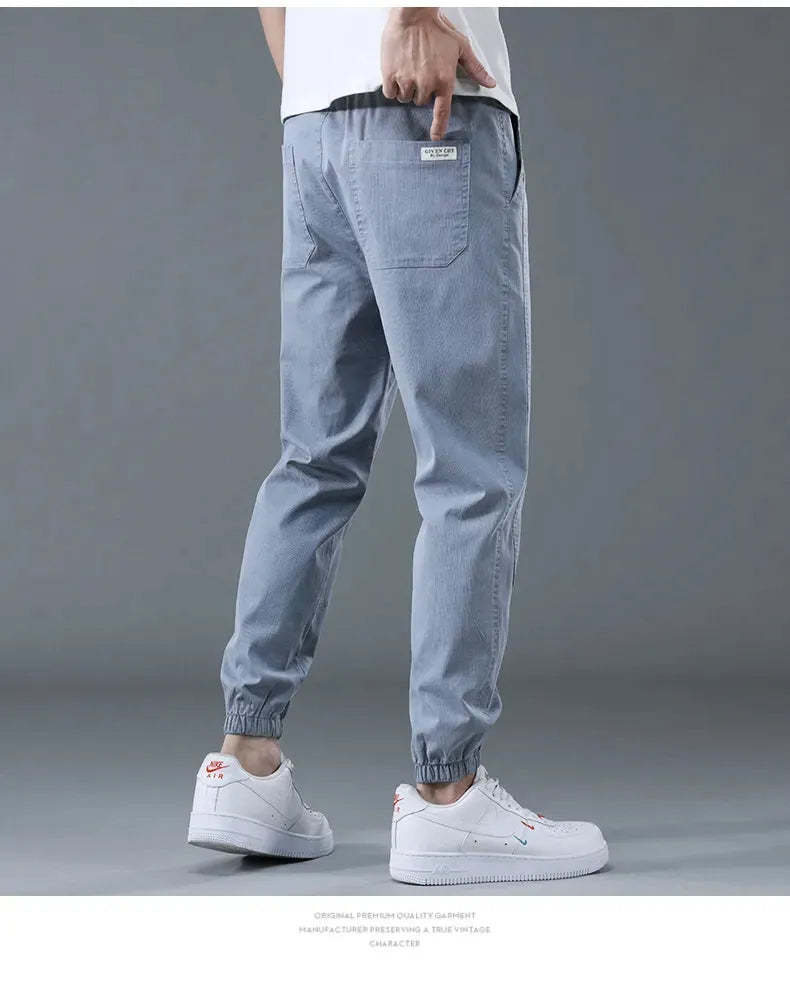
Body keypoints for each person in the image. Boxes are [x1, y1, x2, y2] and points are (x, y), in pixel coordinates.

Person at [187, 7, 608, 885]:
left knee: (314, 457)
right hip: (424, 106)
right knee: (470, 469)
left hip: (315, 126)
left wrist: (321, 81)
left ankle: (246, 763)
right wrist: (415, 12)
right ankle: (449, 796)